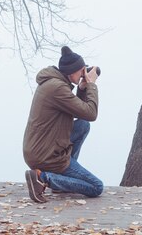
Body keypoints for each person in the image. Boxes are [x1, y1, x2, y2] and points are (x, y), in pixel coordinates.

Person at [22, 46, 103, 203]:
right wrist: (92, 85)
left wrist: (81, 89)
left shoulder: (53, 84)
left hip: (41, 147)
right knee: (96, 186)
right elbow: (91, 113)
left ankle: (61, 180)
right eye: (81, 71)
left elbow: (79, 112)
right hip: (46, 155)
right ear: (72, 72)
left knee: (83, 125)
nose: (83, 74)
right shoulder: (57, 88)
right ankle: (42, 178)